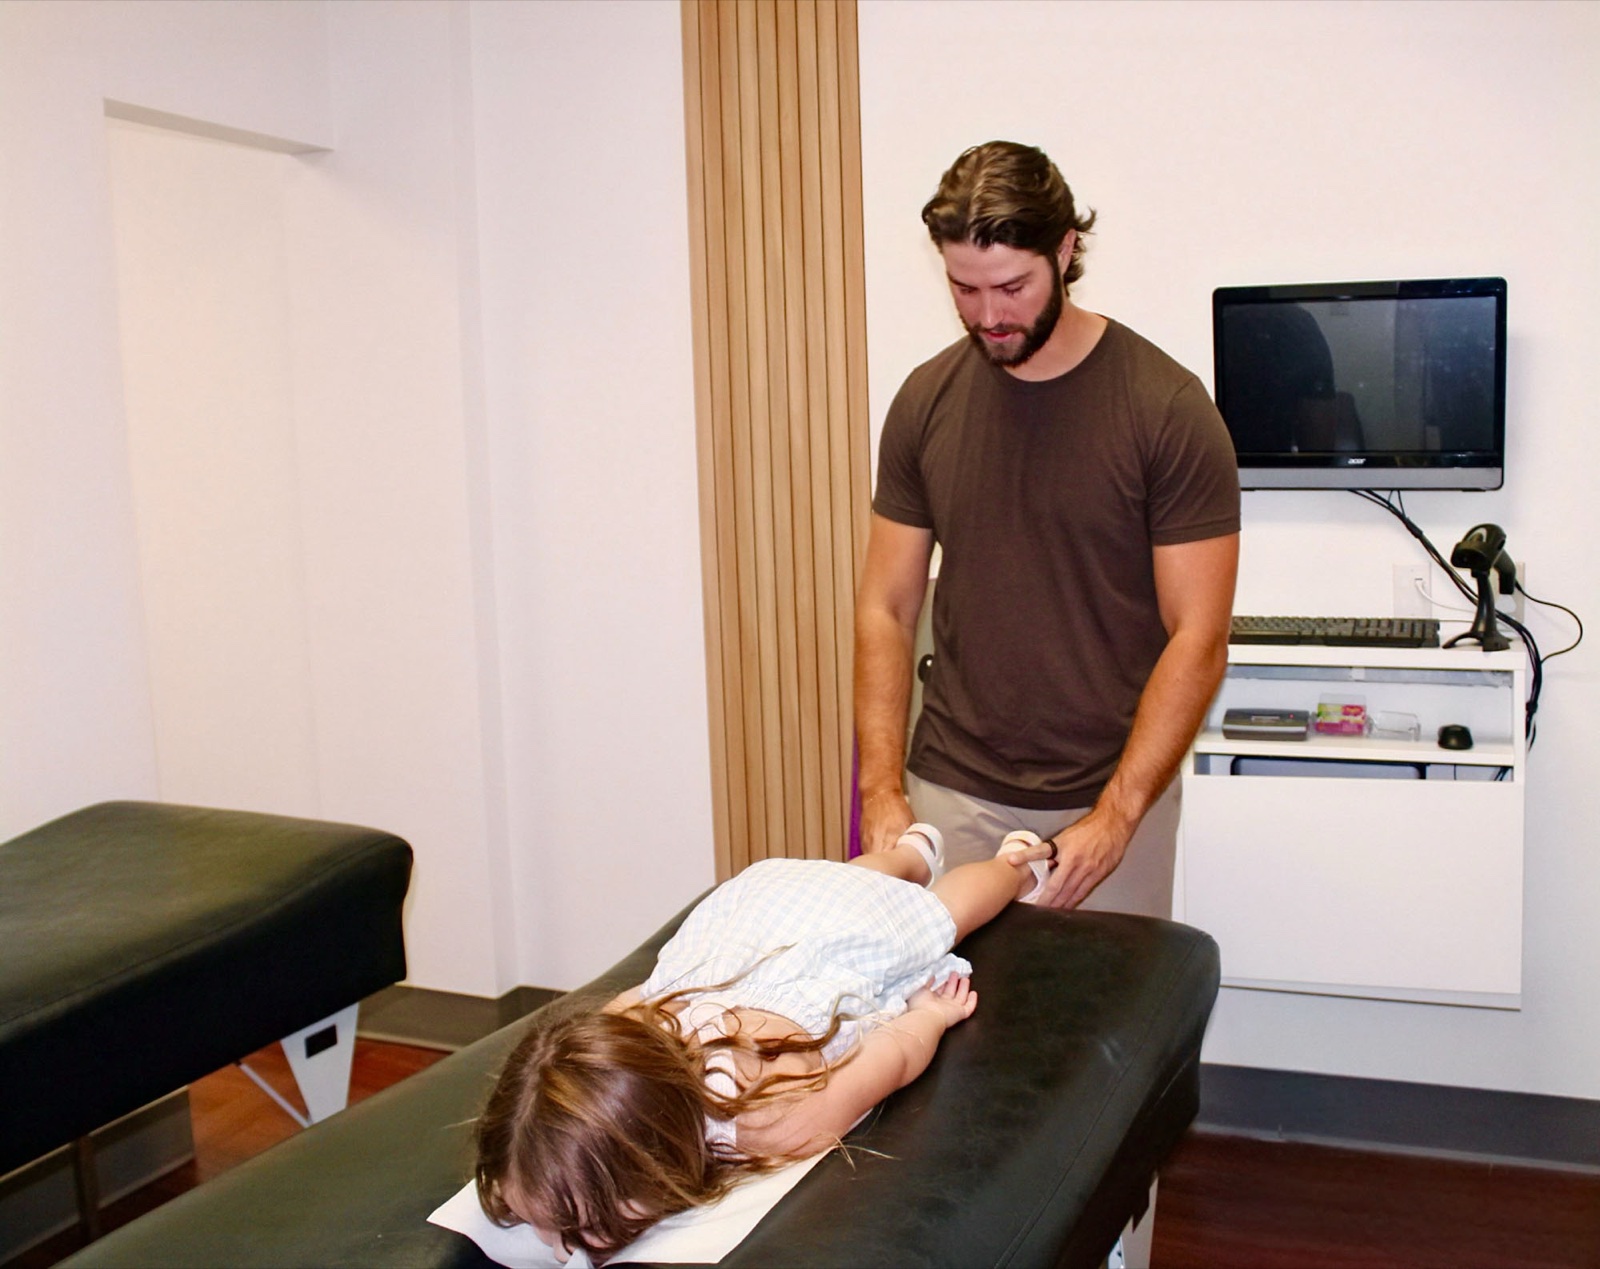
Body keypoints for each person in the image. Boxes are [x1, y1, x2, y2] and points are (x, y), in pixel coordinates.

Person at [855, 139, 1241, 916]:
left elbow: (1197, 635)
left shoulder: (1165, 408)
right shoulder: (925, 401)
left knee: (1108, 1032)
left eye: (1012, 286)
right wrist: (882, 789)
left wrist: (1117, 815)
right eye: (964, 287)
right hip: (951, 791)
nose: (989, 315)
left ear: (1066, 250)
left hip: (1104, 800)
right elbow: (887, 607)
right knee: (943, 1030)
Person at [473, 829, 1055, 1265]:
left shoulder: (772, 1114)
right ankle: (909, 855)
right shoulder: (621, 1036)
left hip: (837, 936)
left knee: (939, 913)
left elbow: (890, 1061)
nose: (553, 1251)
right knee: (845, 882)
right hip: (758, 907)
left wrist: (929, 1016)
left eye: (572, 1231)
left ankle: (1016, 865)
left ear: (654, 1164)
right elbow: (624, 1006)